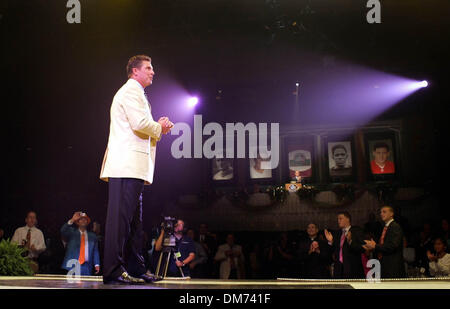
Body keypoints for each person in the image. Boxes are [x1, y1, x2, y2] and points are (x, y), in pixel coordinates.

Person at [99, 55, 174, 284]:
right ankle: (113, 269)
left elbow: (142, 128)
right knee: (120, 221)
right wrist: (159, 127)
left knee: (134, 223)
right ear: (135, 71)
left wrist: (158, 129)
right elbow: (140, 124)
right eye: (148, 68)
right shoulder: (131, 91)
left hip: (133, 168)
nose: (153, 72)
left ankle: (136, 268)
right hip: (125, 167)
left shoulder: (137, 93)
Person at [363, 205, 406, 278]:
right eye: (381, 212)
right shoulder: (386, 227)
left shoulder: (395, 227)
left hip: (393, 267)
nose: (381, 214)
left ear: (391, 214)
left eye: (384, 212)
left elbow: (393, 246)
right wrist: (373, 246)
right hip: (386, 265)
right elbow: (384, 245)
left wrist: (375, 246)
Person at [324, 211, 365, 279]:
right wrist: (330, 242)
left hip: (352, 269)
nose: (338, 221)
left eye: (340, 218)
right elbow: (332, 252)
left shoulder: (357, 231)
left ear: (348, 219)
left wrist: (350, 241)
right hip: (338, 270)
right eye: (337, 219)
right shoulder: (337, 233)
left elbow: (362, 248)